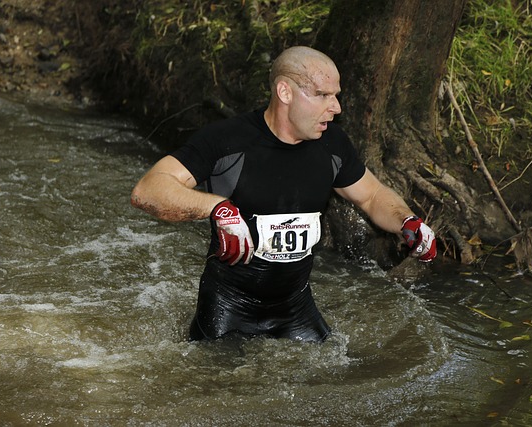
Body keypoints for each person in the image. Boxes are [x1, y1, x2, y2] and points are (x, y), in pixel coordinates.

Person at [131, 46, 437, 343]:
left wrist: (406, 221)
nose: (336, 108)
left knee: (333, 379)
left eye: (335, 96)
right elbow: (148, 189)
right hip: (228, 304)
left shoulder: (332, 144)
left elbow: (370, 195)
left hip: (294, 307)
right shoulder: (227, 140)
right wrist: (217, 208)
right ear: (285, 93)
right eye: (322, 95)